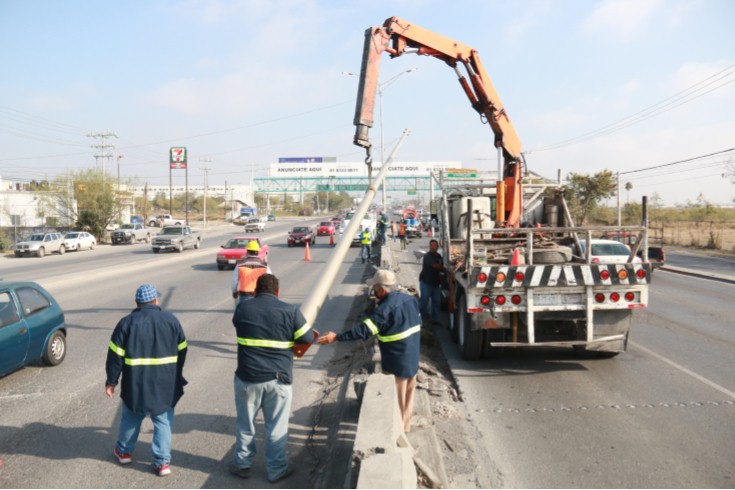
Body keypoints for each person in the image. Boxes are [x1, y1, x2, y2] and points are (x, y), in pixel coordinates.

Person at [230, 274, 313, 483]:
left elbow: (238, 323)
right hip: (278, 380)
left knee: (245, 424)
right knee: (276, 427)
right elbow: (307, 337)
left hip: (247, 378)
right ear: (277, 292)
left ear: (256, 290)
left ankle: (242, 464)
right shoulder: (290, 311)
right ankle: (276, 469)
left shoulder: (243, 308)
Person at [317, 269, 421, 433]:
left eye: (375, 289)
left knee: (398, 401)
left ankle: (399, 433)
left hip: (397, 361)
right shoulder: (410, 300)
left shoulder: (384, 310)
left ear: (382, 289)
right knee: (408, 397)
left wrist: (336, 337)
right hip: (413, 357)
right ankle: (406, 427)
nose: (373, 292)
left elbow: (362, 331)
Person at [105, 284, 188, 477]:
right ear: (156, 301)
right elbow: (182, 350)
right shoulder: (171, 321)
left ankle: (124, 452)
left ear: (137, 303)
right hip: (165, 384)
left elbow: (115, 356)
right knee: (163, 421)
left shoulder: (126, 323)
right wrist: (176, 373)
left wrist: (111, 381)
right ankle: (161, 463)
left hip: (136, 383)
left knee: (131, 416)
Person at [419, 239, 445, 325]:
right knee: (424, 302)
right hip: (426, 283)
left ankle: (435, 320)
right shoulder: (427, 256)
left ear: (437, 247)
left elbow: (441, 265)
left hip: (436, 284)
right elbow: (435, 266)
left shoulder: (438, 256)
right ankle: (421, 321)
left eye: (434, 245)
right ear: (429, 246)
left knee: (436, 303)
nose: (433, 247)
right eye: (431, 245)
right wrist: (445, 268)